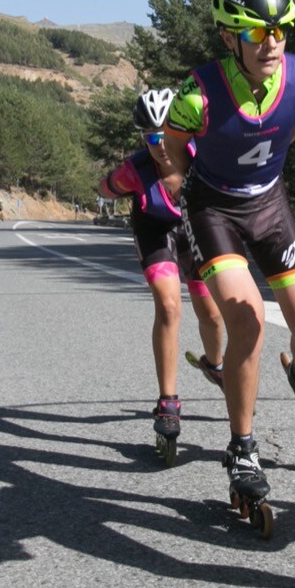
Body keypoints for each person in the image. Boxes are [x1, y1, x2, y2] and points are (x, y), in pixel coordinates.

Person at [160, 0, 295, 535]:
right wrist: (182, 185)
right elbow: (175, 144)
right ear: (229, 38)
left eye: (281, 30)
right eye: (258, 34)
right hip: (213, 210)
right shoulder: (196, 95)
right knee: (249, 321)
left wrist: (264, 162)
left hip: (270, 203)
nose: (273, 43)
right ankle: (242, 446)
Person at [98, 88, 226, 463]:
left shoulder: (200, 157)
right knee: (169, 307)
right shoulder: (134, 169)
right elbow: (107, 187)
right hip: (154, 230)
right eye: (152, 137)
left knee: (212, 314)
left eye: (168, 133)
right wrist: (108, 189)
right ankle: (168, 401)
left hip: (193, 229)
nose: (161, 144)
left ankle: (214, 364)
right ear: (142, 138)